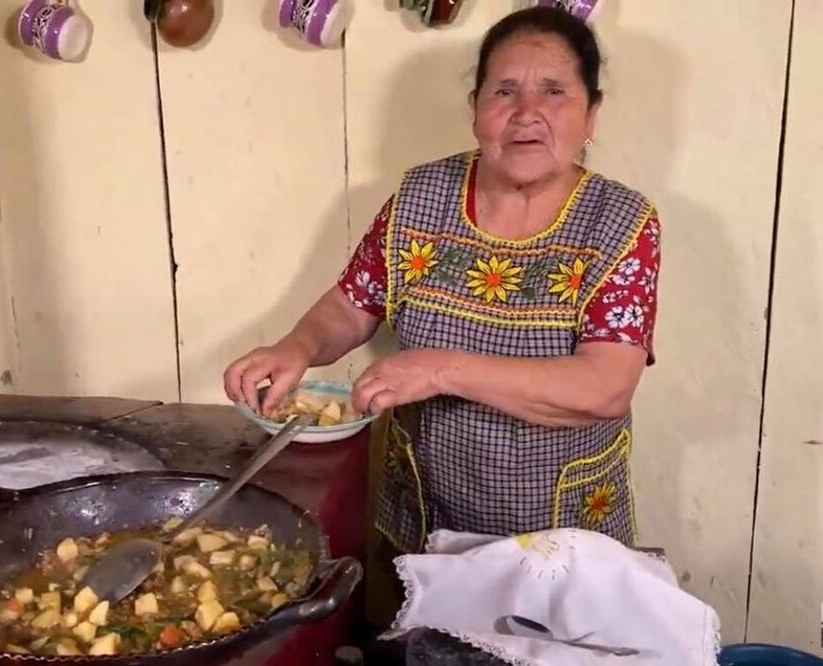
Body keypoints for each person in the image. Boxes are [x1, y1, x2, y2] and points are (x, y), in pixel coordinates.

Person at [224, 6, 661, 564]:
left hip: (564, 531)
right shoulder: (421, 195)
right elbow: (352, 303)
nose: (527, 113)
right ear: (477, 108)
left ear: (591, 114)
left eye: (554, 91)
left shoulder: (621, 222)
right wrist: (297, 347)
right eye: (504, 91)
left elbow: (604, 387)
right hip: (426, 512)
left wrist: (438, 369)